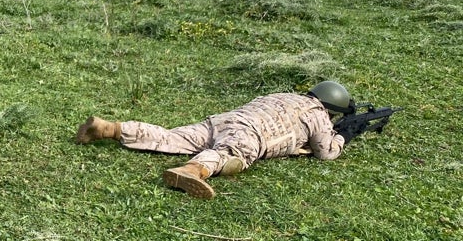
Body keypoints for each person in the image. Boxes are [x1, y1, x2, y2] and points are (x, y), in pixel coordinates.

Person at [74, 81, 353, 199]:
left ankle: (111, 128)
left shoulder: (284, 94)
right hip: (249, 134)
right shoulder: (318, 114)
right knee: (231, 156)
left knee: (172, 137)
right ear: (331, 107)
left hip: (223, 120)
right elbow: (325, 152)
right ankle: (192, 170)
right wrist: (342, 135)